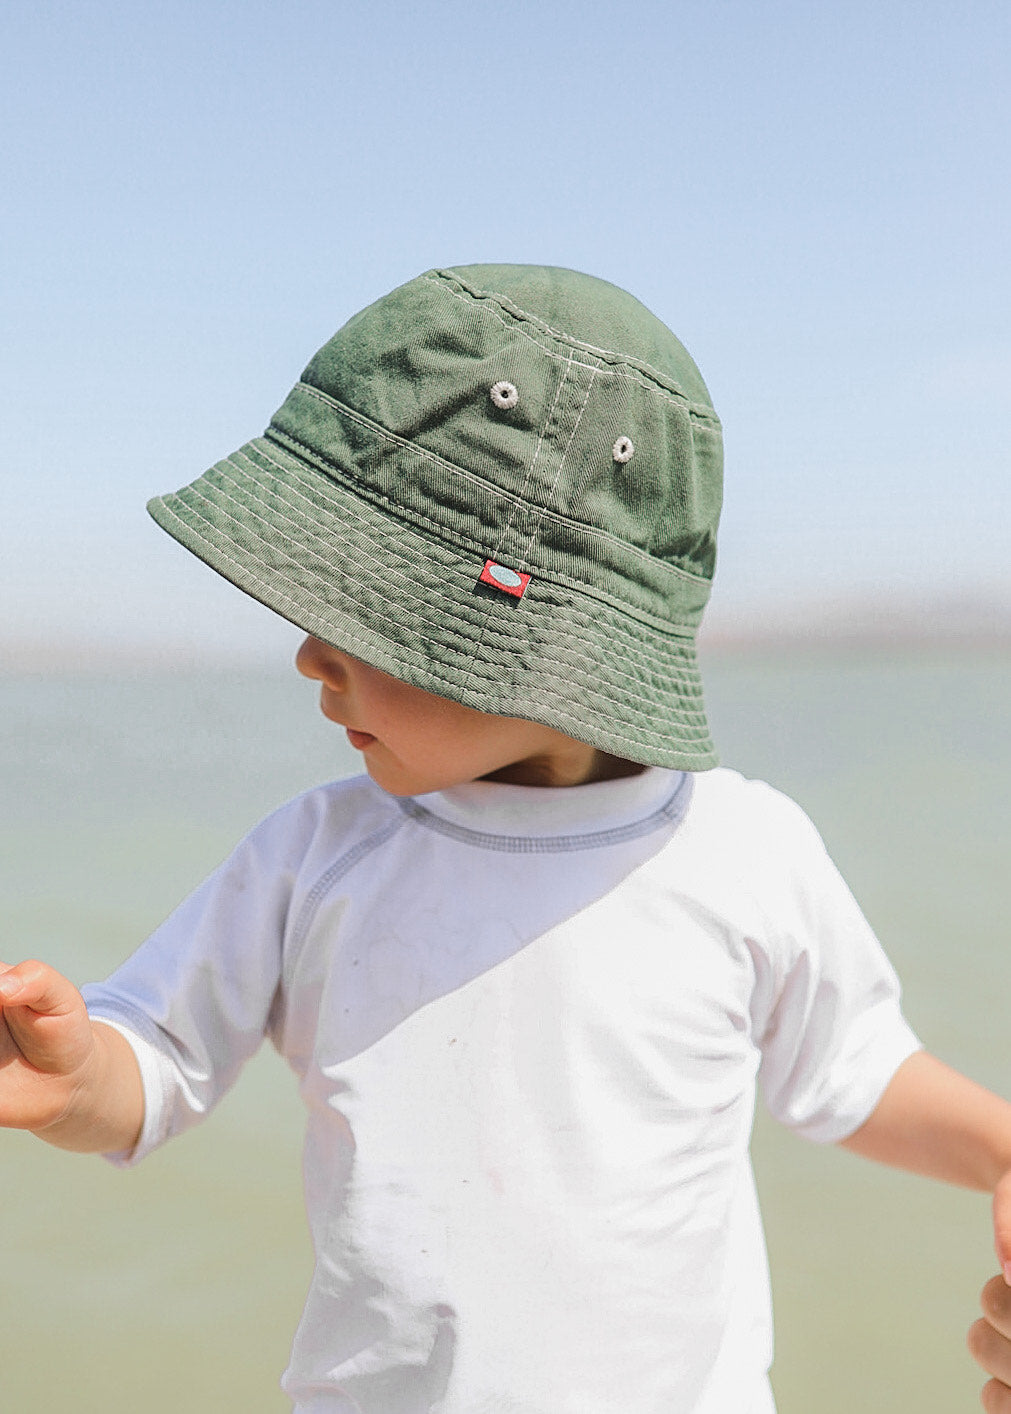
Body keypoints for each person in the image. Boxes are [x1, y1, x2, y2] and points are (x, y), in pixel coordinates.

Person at [2, 263, 1009, 1413]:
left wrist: (1000, 1150)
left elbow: (854, 1069)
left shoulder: (742, 852)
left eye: (362, 607)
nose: (309, 653)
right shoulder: (314, 855)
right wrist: (77, 1075)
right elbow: (158, 1056)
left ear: (549, 641)